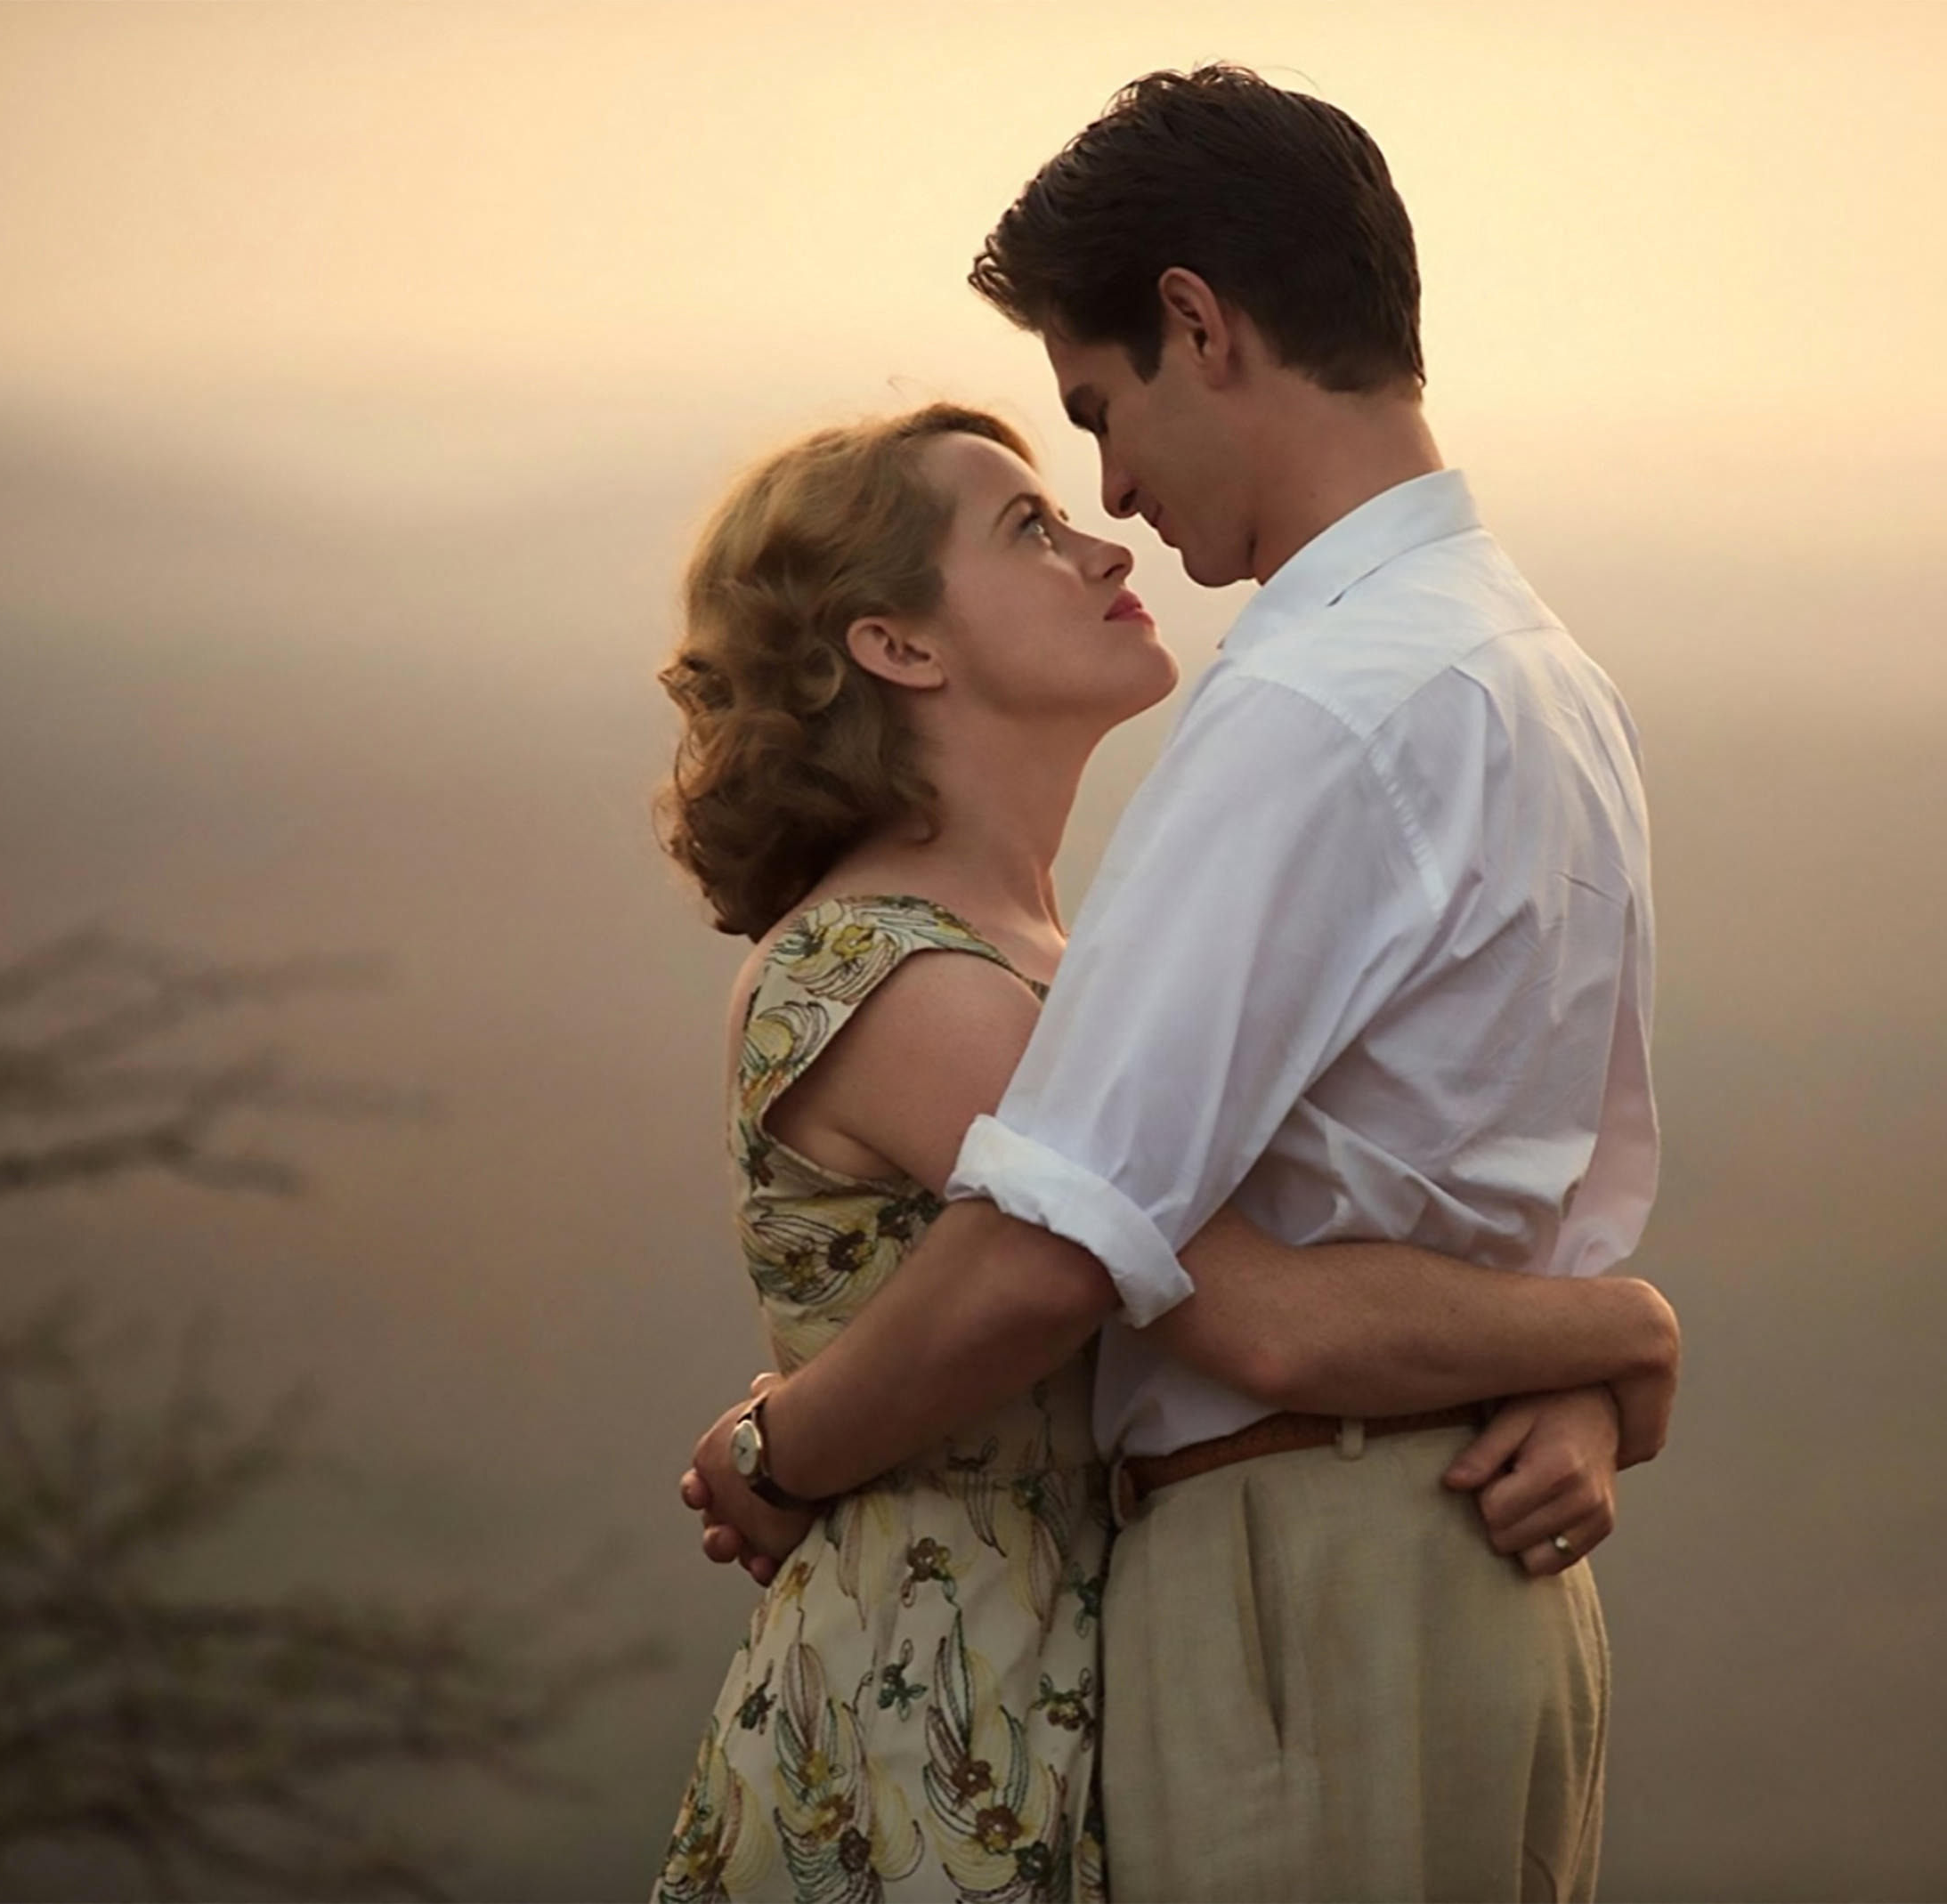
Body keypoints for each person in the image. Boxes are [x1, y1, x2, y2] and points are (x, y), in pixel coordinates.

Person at [649, 401, 1676, 1902]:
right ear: (900, 648)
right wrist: (1620, 1331)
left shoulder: (1057, 969)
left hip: (1083, 1674)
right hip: (941, 1724)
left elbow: (1326, 1279)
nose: (1104, 540)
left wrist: (1564, 1385)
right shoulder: (901, 978)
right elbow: (1256, 1314)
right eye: (1028, 528)